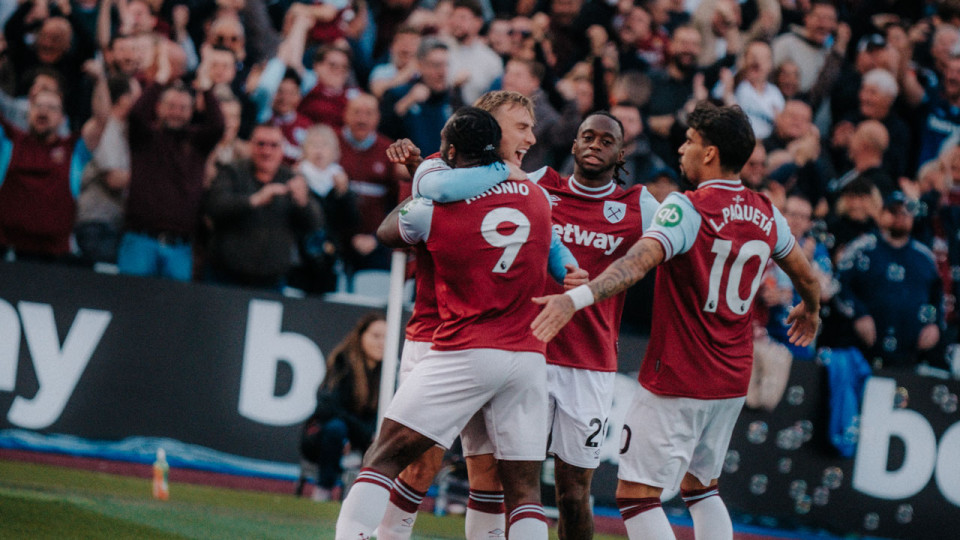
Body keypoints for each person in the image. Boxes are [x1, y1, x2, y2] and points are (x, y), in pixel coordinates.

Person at [531, 102, 821, 540]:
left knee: (636, 497)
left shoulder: (686, 208)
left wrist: (576, 298)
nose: (682, 149)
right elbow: (803, 272)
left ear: (709, 153)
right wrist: (811, 309)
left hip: (679, 373)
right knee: (702, 489)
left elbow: (635, 264)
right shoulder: (765, 211)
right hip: (730, 378)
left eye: (689, 141)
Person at [336, 107, 553, 539]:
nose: (528, 136)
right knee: (523, 491)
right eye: (522, 127)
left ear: (451, 150)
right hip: (528, 356)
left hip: (464, 347)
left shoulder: (431, 208)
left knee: (383, 457)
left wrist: (425, 173)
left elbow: (387, 232)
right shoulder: (538, 197)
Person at [377, 91, 584, 540]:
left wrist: (566, 268)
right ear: (488, 128)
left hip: (502, 345)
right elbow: (394, 229)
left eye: (531, 127)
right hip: (437, 334)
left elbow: (550, 248)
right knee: (421, 464)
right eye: (521, 126)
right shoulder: (439, 169)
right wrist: (416, 178)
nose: (531, 136)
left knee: (489, 474)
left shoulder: (527, 187)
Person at [120, 77, 225, 281]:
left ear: (191, 111)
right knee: (130, 302)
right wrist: (158, 83)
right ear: (158, 107)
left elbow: (218, 126)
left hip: (180, 246)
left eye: (183, 108)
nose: (176, 112)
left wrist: (207, 91)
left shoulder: (197, 143)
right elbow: (136, 115)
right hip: (140, 239)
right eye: (171, 106)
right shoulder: (144, 137)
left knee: (174, 308)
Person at [203, 123, 321, 289]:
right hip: (225, 276)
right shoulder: (232, 172)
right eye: (261, 144)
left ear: (283, 149)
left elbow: (315, 224)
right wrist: (254, 200)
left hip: (272, 280)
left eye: (274, 145)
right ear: (251, 145)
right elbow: (214, 208)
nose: (267, 151)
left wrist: (303, 202)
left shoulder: (292, 178)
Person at [837, 191, 945, 370]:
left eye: (906, 212)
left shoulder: (924, 256)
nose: (900, 217)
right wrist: (858, 314)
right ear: (880, 214)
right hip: (862, 352)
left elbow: (938, 298)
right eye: (894, 211)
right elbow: (840, 286)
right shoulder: (861, 248)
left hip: (910, 357)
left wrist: (935, 326)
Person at [299, 312, 386, 501]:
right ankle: (323, 489)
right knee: (336, 429)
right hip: (322, 438)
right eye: (376, 336)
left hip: (360, 440)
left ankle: (374, 498)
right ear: (361, 335)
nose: (382, 343)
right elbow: (328, 408)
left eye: (387, 337)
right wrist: (358, 434)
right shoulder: (342, 363)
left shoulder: (388, 373)